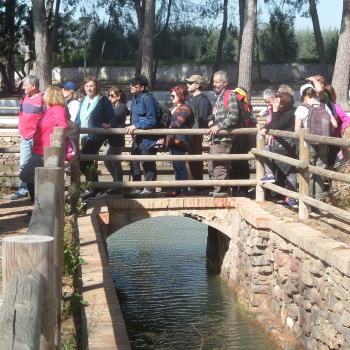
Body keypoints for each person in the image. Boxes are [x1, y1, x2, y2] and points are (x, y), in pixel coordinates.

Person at [20, 86, 69, 203]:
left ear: (52, 96)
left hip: (45, 151)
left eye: (46, 93)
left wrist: (54, 141)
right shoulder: (49, 110)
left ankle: (50, 181)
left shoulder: (57, 109)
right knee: (30, 175)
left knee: (24, 175)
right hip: (39, 150)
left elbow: (62, 126)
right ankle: (42, 200)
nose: (43, 94)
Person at [295, 84, 338, 203]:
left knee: (308, 169)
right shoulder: (324, 106)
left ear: (304, 95)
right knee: (320, 171)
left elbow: (297, 130)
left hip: (309, 144)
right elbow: (335, 124)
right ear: (314, 94)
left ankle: (308, 201)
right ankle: (318, 201)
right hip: (323, 142)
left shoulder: (301, 108)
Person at [75, 76, 117, 199]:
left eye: (91, 86)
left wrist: (109, 125)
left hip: (97, 135)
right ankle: (94, 188)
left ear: (96, 87)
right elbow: (78, 119)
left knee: (84, 161)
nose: (89, 88)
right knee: (87, 161)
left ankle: (96, 187)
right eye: (87, 86)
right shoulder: (83, 102)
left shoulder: (103, 100)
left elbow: (112, 117)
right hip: (85, 136)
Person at [124, 74, 160, 198]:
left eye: (135, 85)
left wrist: (136, 126)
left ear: (142, 87)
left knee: (147, 163)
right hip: (137, 137)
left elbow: (152, 120)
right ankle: (138, 186)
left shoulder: (148, 99)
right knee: (134, 161)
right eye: (131, 84)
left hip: (147, 138)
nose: (131, 86)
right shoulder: (135, 98)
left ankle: (149, 188)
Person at [260, 93, 298, 207]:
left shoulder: (290, 113)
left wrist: (275, 110)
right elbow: (272, 123)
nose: (274, 103)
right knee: (265, 149)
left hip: (287, 145)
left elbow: (276, 126)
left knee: (289, 171)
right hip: (280, 145)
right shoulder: (285, 112)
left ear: (282, 104)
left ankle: (292, 199)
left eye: (277, 101)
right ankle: (270, 175)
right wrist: (265, 128)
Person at [11, 75, 44, 200]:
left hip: (38, 138)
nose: (23, 87)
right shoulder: (24, 97)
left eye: (25, 85)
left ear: (33, 86)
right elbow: (21, 114)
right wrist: (21, 129)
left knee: (38, 166)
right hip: (25, 137)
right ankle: (23, 190)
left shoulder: (42, 98)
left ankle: (38, 193)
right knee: (23, 164)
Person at [208, 70, 239, 198]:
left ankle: (223, 190)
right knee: (214, 164)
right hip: (217, 137)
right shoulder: (219, 97)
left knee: (220, 163)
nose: (214, 84)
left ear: (225, 83)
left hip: (224, 137)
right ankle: (219, 188)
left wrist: (218, 126)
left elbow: (233, 116)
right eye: (214, 81)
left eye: (217, 82)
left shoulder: (230, 96)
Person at [185, 75, 212, 194]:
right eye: (188, 83)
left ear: (198, 85)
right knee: (188, 162)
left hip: (196, 136)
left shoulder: (203, 100)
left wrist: (198, 136)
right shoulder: (190, 99)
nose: (188, 85)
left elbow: (202, 121)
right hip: (188, 136)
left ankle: (197, 186)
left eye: (190, 83)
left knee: (195, 161)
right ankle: (191, 185)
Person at [165, 85, 193, 196]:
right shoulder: (175, 107)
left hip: (180, 141)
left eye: (173, 95)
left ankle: (184, 191)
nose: (171, 98)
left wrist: (165, 125)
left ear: (180, 95)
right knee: (176, 167)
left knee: (181, 166)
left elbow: (177, 124)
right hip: (173, 140)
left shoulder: (185, 108)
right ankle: (178, 190)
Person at [103, 86, 129, 194]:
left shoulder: (121, 107)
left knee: (115, 163)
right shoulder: (115, 106)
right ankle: (116, 182)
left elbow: (113, 117)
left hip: (117, 139)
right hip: (112, 139)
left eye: (112, 96)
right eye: (109, 95)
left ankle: (118, 185)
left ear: (119, 96)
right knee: (107, 161)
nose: (110, 98)